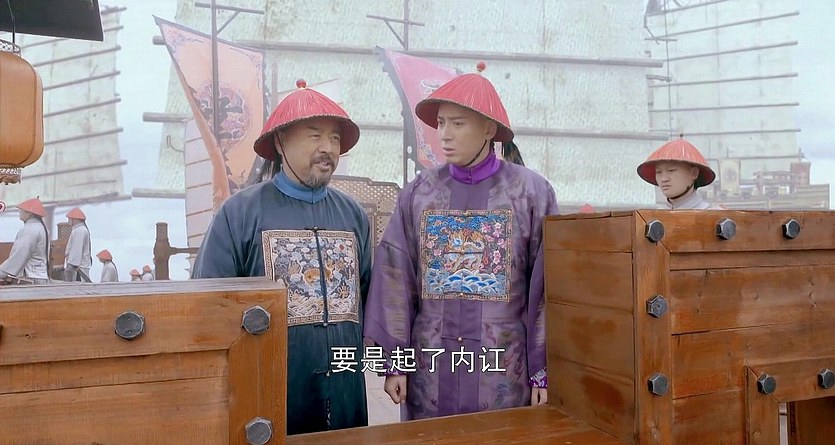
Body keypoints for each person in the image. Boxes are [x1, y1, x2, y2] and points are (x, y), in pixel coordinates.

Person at [364, 62, 558, 421]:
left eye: (458, 123)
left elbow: (547, 287)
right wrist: (395, 362)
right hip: (431, 369)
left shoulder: (530, 193)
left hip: (502, 371)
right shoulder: (420, 194)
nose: (444, 134)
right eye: (440, 123)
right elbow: (395, 278)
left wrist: (542, 370)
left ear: (489, 128)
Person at [191, 79, 372, 435]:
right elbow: (208, 304)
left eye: (335, 139)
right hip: (267, 391)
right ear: (280, 142)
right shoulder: (240, 213)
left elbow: (371, 294)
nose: (327, 148)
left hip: (346, 392)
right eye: (315, 136)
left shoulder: (353, 215)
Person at [637, 135, 719, 209]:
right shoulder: (655, 217)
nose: (663, 179)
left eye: (671, 170)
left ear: (694, 173)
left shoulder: (714, 216)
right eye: (658, 172)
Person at [0, 197, 50, 285]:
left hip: (31, 278)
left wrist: (2, 272)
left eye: (22, 210)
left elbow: (18, 256)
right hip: (41, 276)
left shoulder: (29, 229)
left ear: (29, 213)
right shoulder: (41, 227)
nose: (20, 212)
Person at [64, 207, 92, 282]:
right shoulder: (79, 230)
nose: (68, 221)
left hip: (78, 269)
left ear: (74, 219)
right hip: (79, 267)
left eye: (69, 219)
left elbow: (76, 251)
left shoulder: (80, 231)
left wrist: (70, 265)